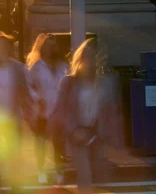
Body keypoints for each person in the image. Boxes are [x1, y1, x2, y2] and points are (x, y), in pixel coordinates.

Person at [50, 39, 122, 194]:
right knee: (85, 175)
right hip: (76, 134)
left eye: (92, 57)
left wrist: (113, 136)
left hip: (96, 134)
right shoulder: (68, 82)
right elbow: (61, 110)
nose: (89, 61)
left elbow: (110, 111)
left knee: (100, 176)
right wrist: (73, 131)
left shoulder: (103, 83)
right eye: (86, 57)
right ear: (79, 60)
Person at [0, 31, 30, 194]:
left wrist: (29, 111)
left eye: (3, 46)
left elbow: (25, 91)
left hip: (13, 117)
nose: (0, 49)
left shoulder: (18, 68)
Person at [27, 33, 69, 184]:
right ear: (42, 48)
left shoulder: (62, 66)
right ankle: (41, 171)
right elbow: (28, 86)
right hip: (43, 112)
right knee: (41, 143)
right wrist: (38, 99)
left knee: (58, 144)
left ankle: (58, 172)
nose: (51, 49)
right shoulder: (36, 67)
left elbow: (69, 84)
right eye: (48, 46)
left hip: (58, 111)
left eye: (53, 46)